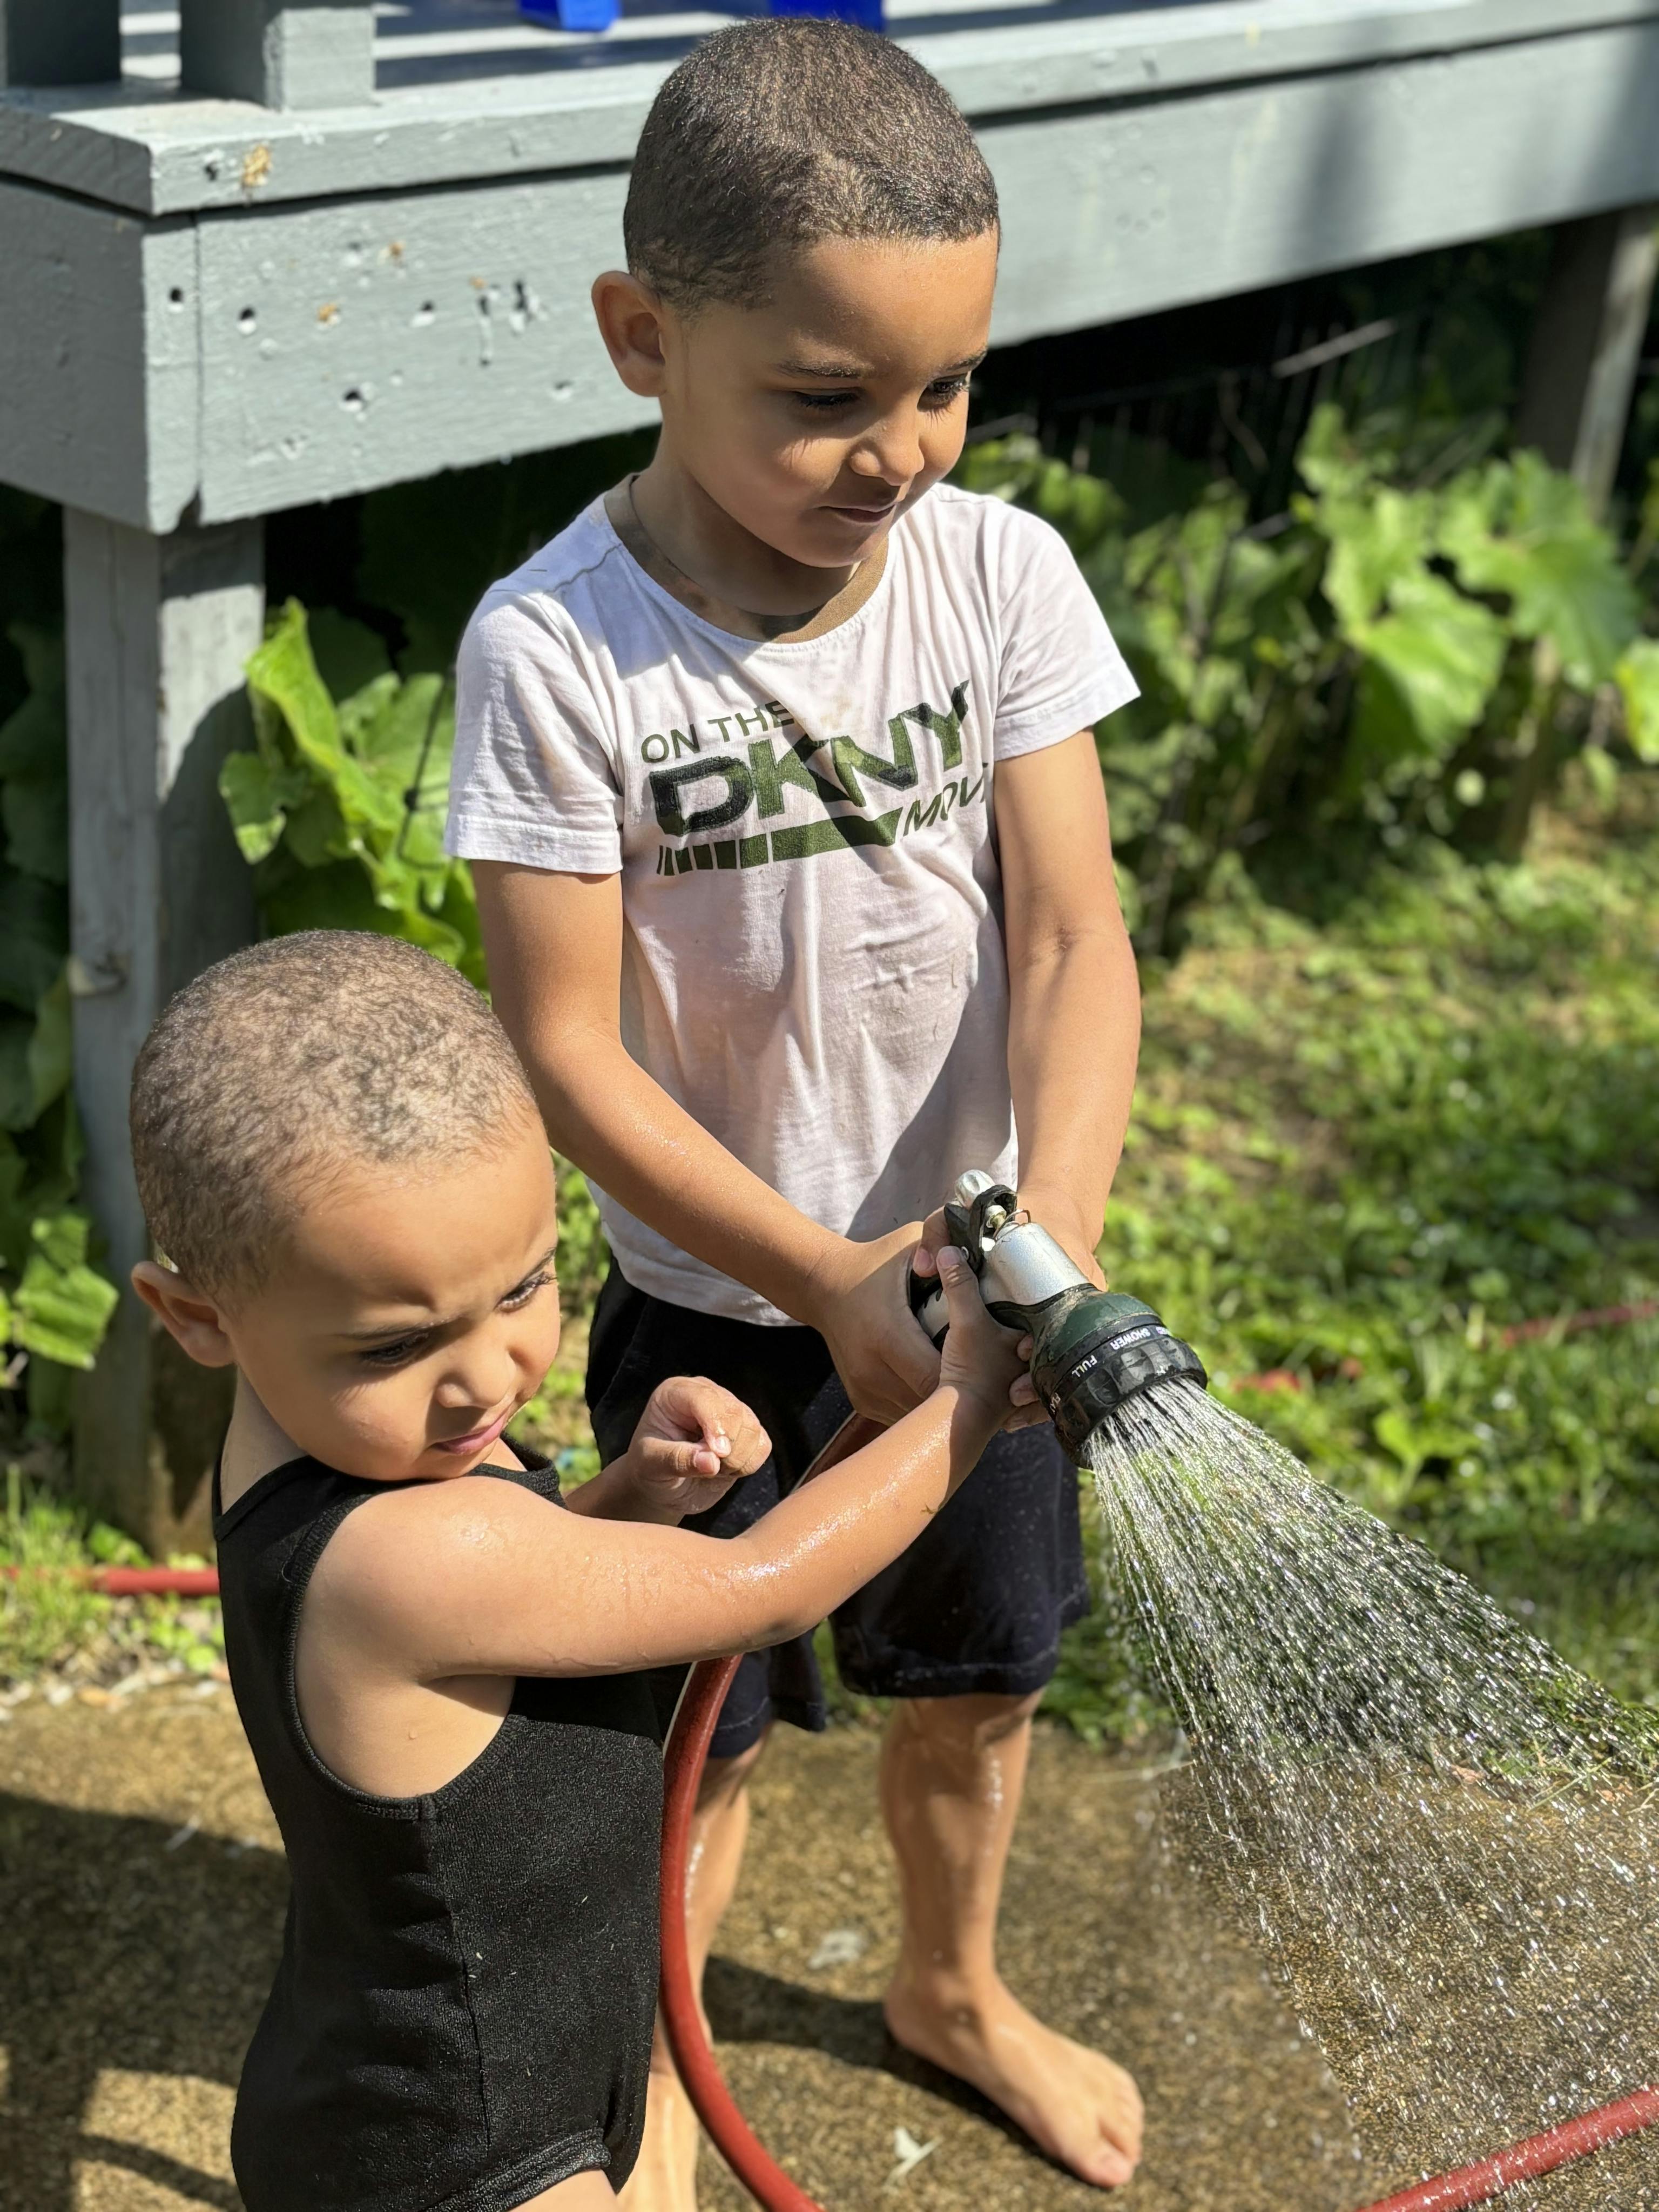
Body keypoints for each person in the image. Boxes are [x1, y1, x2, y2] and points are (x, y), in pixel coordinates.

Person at [448, 16, 1145, 2204]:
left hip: (979, 1284)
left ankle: (953, 1982)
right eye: (830, 395)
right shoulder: (558, 652)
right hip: (714, 1308)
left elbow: (1077, 940)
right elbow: (566, 1051)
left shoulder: (997, 575)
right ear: (644, 338)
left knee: (978, 1680)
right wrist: (825, 1277)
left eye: (947, 386)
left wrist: (1043, 1253)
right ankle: (662, 2067)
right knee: (700, 1729)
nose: (900, 453)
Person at [126, 929, 1029, 2212]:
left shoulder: (340, 1450)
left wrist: (627, 1498)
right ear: (195, 1317)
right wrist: (968, 1399)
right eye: (395, 1345)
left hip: (429, 2077)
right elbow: (767, 1588)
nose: (486, 1377)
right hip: (466, 2151)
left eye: (526, 1287)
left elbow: (503, 1593)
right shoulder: (401, 1554)